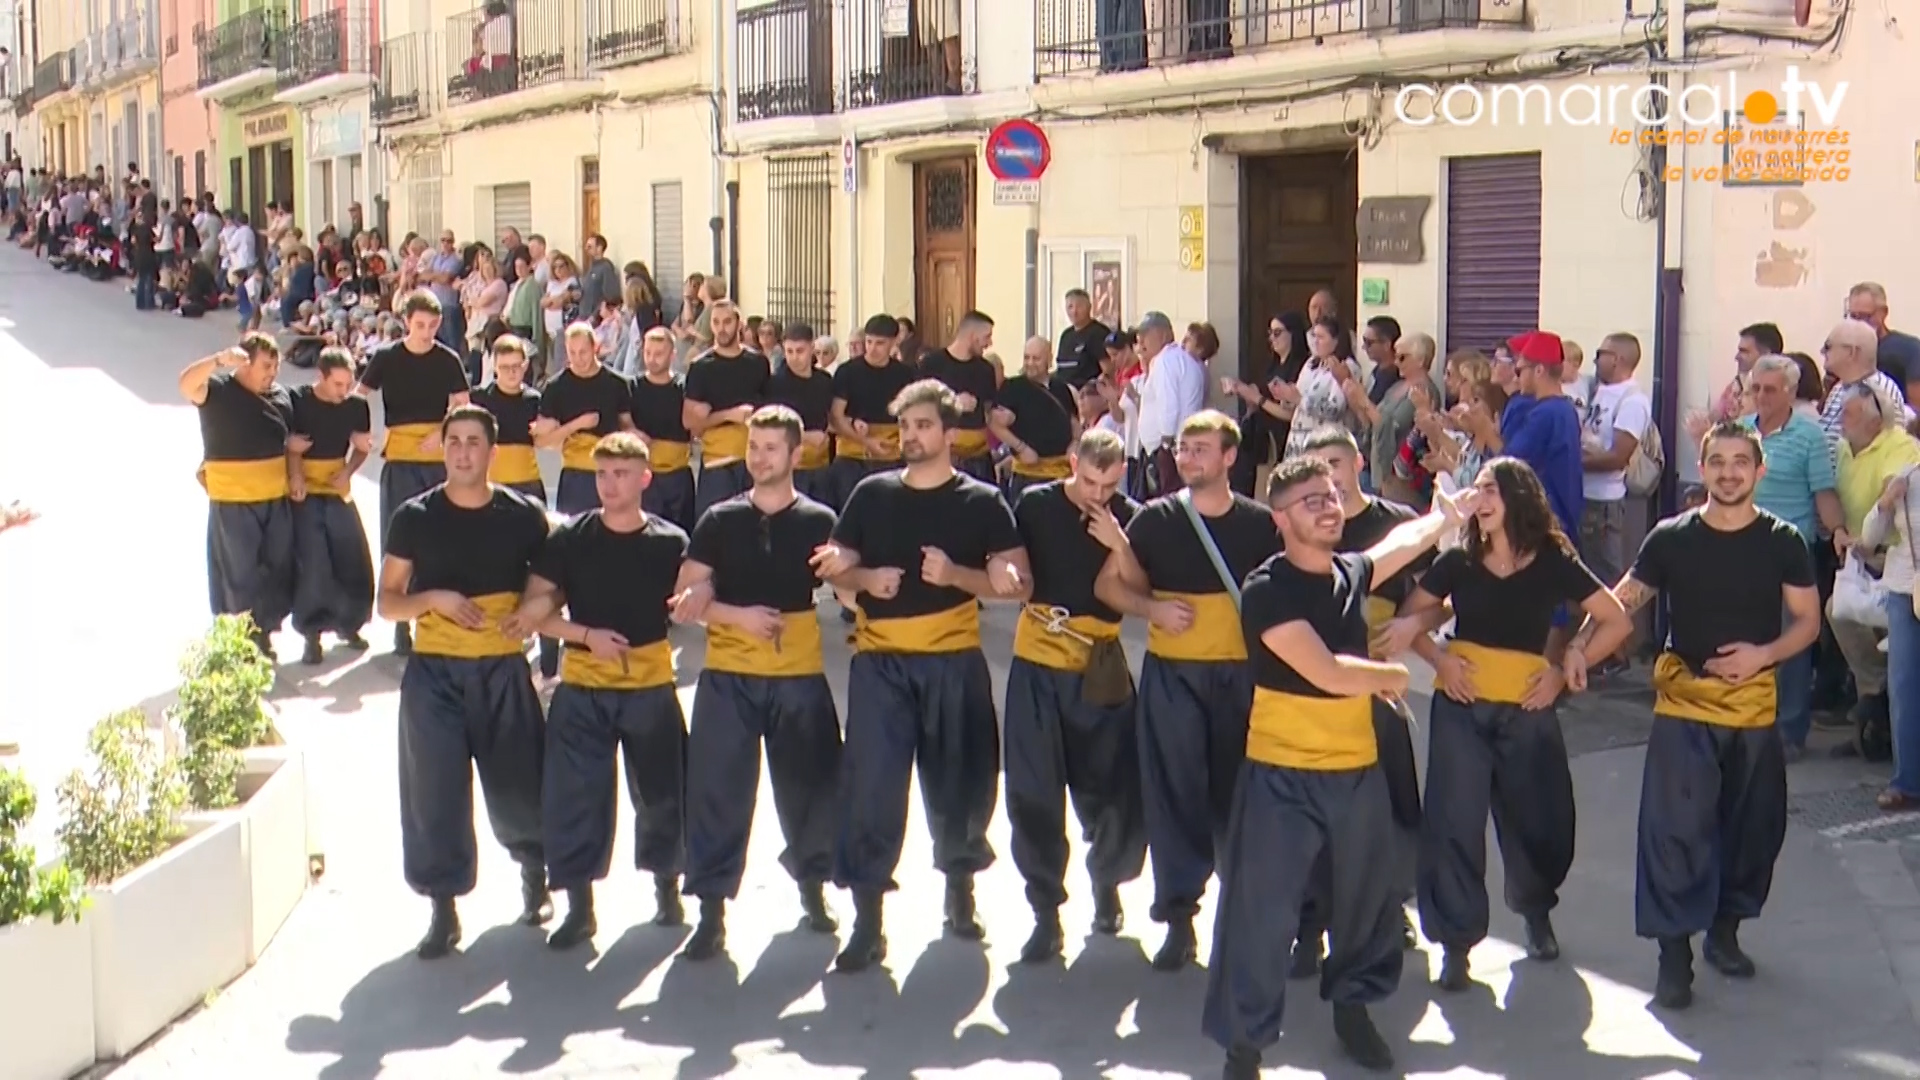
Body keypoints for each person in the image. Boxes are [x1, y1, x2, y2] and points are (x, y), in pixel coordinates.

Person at [1205, 455, 1468, 1077]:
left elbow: (1396, 545)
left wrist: (1441, 520)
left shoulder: (1349, 572)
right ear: (1280, 518)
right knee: (1261, 914)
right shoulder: (1267, 590)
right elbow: (1325, 670)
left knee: (1366, 905)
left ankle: (1353, 1011)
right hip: (1281, 776)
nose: (1328, 508)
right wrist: (1395, 673)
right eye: (1311, 501)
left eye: (1331, 496)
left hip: (1355, 772)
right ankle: (1244, 1048)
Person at [1569, 420, 1820, 1008]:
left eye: (1740, 462)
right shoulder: (1671, 537)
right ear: (1702, 469)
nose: (1729, 472)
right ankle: (1673, 958)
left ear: (1760, 472)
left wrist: (1765, 654)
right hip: (1685, 704)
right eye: (1717, 462)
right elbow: (1623, 602)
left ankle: (1725, 933)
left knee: (1753, 832)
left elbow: (1807, 621)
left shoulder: (1783, 540)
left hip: (1755, 708)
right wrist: (1579, 648)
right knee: (1674, 833)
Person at [810, 378, 1029, 972]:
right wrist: (859, 580)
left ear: (951, 434)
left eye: (923, 426)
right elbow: (839, 566)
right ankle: (868, 921)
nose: (910, 436)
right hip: (879, 664)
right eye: (905, 427)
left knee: (961, 783)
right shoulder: (871, 495)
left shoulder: (980, 502)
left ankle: (960, 891)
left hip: (953, 662)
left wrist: (959, 575)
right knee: (872, 787)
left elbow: (1018, 583)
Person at [1393, 457, 1628, 989]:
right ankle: (1456, 944)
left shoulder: (1552, 560)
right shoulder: (1458, 561)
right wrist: (1440, 660)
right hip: (1463, 705)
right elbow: (1409, 617)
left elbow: (1615, 618)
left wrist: (1568, 666)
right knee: (1454, 823)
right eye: (1476, 489)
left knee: (1536, 822)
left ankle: (1536, 912)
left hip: (1528, 708)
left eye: (1490, 489)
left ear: (1518, 498)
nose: (1481, 498)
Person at [1091, 410, 1281, 971]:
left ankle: (1250, 914)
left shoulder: (1261, 524)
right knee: (1173, 794)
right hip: (1173, 678)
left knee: (1246, 798)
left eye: (1201, 448)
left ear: (1229, 457)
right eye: (1183, 447)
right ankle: (1178, 918)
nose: (1187, 456)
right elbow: (1109, 584)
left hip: (1243, 681)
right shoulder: (1155, 520)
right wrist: (1152, 608)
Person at [504, 432, 701, 949]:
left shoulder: (671, 541)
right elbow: (539, 614)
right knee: (574, 798)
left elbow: (699, 594)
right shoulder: (569, 539)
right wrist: (586, 634)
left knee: (662, 793)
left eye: (620, 474)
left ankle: (667, 888)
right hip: (585, 684)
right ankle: (580, 908)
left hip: (651, 682)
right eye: (602, 474)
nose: (610, 485)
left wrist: (698, 599)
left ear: (644, 478)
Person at [376, 405, 552, 959]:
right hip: (434, 675)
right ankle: (443, 909)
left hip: (501, 669)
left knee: (519, 783)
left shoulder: (523, 515)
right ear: (443, 447)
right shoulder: (414, 517)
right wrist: (433, 599)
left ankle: (535, 875)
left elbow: (550, 589)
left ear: (492, 452)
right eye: (453, 441)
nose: (462, 451)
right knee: (434, 792)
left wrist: (531, 612)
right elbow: (387, 602)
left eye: (474, 442)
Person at [676, 406, 843, 960]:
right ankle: (710, 911)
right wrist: (734, 615)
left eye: (772, 448)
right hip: (729, 676)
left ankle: (813, 890)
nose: (759, 457)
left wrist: (854, 581)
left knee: (810, 789)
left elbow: (847, 592)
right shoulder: (719, 519)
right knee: (717, 793)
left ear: (797, 455)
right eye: (753, 446)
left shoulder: (820, 519)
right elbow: (685, 602)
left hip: (797, 673)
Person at [1003, 427, 1147, 962]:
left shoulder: (1127, 514)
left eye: (1109, 484)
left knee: (1110, 786)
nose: (1098, 495)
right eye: (1089, 481)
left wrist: (1120, 543)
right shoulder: (1036, 504)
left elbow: (1141, 589)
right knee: (1033, 790)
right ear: (1071, 464)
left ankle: (1106, 884)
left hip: (1099, 661)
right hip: (1037, 657)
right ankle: (1045, 910)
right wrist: (1010, 572)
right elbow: (1010, 559)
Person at [1291, 428, 1430, 970]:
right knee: (1312, 807)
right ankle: (1309, 927)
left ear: (1355, 462)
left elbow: (1438, 595)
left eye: (1336, 461)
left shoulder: (1394, 520)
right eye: (1317, 465)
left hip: (1375, 681)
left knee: (1389, 801)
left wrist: (1411, 623)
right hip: (1315, 683)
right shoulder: (1302, 523)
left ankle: (1391, 907)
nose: (1329, 474)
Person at [357, 290, 471, 654]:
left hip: (438, 461)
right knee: (399, 538)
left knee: (440, 539)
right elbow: (359, 396)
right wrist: (365, 434)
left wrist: (442, 433)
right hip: (401, 460)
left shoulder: (447, 359)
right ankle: (400, 623)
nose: (426, 332)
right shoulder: (387, 357)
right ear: (407, 322)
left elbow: (463, 407)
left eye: (433, 325)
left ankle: (435, 617)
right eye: (420, 325)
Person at [180, 334, 299, 659]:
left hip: (274, 498)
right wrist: (218, 359)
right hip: (234, 502)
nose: (271, 373)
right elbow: (186, 384)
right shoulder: (217, 392)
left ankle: (264, 634)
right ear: (244, 362)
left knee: (274, 569)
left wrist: (297, 473)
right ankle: (240, 639)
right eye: (265, 366)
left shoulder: (280, 397)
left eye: (275, 366)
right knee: (239, 573)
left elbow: (292, 444)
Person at [472, 333, 560, 680]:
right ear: (493, 365)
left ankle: (549, 654)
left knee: (539, 566)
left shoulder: (535, 400)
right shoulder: (480, 399)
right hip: (491, 491)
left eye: (517, 366)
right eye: (504, 366)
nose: (511, 372)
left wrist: (555, 430)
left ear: (525, 366)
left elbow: (549, 442)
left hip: (528, 489)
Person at [287, 348, 376, 664]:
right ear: (321, 377)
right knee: (314, 562)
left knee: (351, 555)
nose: (344, 391)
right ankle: (312, 634)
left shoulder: (356, 406)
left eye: (348, 383)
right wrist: (295, 476)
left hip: (337, 485)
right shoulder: (298, 400)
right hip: (306, 487)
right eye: (337, 384)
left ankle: (349, 624)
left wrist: (349, 471)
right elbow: (292, 446)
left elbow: (363, 447)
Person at [534, 322, 634, 515]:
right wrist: (577, 424)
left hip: (610, 471)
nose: (578, 359)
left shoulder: (617, 384)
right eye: (572, 353)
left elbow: (627, 427)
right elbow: (541, 441)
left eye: (583, 352)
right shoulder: (556, 387)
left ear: (595, 347)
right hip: (574, 475)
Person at [683, 300, 769, 518]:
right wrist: (729, 415)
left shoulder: (758, 363)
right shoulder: (701, 367)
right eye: (716, 322)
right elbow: (690, 424)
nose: (722, 328)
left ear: (739, 324)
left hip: (753, 462)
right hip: (717, 466)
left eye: (727, 321)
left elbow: (769, 412)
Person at [827, 314, 917, 511]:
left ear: (895, 342)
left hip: (892, 456)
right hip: (851, 458)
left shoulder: (905, 374)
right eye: (869, 342)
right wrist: (866, 441)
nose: (872, 349)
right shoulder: (847, 371)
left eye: (880, 343)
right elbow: (835, 416)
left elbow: (911, 416)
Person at [991, 337, 1081, 503]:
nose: (1030, 363)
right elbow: (995, 423)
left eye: (1036, 358)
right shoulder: (1013, 387)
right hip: (1028, 476)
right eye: (1026, 357)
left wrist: (1074, 443)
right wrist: (1021, 447)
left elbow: (1074, 423)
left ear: (1049, 359)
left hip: (1061, 474)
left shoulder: (1061, 388)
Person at [918, 311, 1001, 484]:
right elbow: (919, 407)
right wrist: (953, 402)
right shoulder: (932, 364)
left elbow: (989, 410)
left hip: (979, 457)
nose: (989, 343)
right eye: (986, 337)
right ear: (972, 336)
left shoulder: (985, 369)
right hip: (945, 454)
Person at [629, 325, 696, 531]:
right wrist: (632, 431)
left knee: (681, 533)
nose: (652, 358)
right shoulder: (632, 387)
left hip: (678, 475)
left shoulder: (685, 387)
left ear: (672, 354)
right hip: (645, 474)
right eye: (648, 352)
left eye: (659, 353)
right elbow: (621, 422)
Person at [766, 323, 835, 504]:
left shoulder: (824, 381)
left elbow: (830, 415)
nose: (794, 357)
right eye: (789, 351)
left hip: (822, 466)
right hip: (790, 468)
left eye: (800, 351)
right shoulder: (775, 384)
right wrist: (806, 436)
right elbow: (771, 426)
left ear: (812, 348)